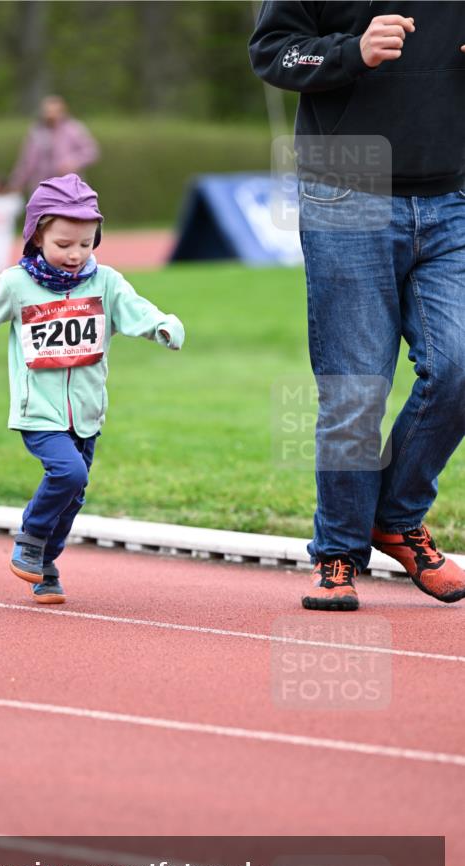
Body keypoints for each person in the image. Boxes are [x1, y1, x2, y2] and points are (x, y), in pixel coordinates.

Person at [249, 3, 465, 610]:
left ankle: (395, 518)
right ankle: (339, 552)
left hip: (452, 195)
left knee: (459, 368)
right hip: (344, 194)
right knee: (356, 389)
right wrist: (352, 52)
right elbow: (272, 52)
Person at [0, 174, 184, 604]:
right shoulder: (16, 284)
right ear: (37, 236)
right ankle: (30, 538)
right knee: (69, 473)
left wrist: (164, 326)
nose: (75, 254)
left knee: (74, 495)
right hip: (38, 412)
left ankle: (45, 565)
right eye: (63, 244)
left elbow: (137, 310)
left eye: (86, 243)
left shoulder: (106, 282)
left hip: (88, 413)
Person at [9, 95, 99, 197]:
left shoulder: (74, 129)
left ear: (63, 112)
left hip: (69, 189)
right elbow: (28, 161)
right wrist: (17, 183)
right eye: (47, 111)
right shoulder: (37, 131)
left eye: (55, 111)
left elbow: (91, 151)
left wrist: (73, 162)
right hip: (42, 188)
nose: (51, 115)